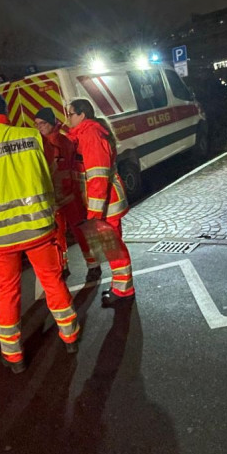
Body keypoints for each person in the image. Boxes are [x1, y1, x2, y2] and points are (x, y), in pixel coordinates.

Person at [0, 91, 80, 373]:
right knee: (52, 281)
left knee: (7, 294)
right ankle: (70, 336)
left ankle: (14, 357)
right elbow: (46, 170)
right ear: (6, 113)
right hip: (38, 227)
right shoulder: (32, 138)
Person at [66, 98, 135, 307]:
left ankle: (123, 292)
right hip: (102, 204)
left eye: (70, 114)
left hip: (105, 205)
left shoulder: (91, 135)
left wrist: (93, 216)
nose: (67, 118)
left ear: (81, 115)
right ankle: (121, 287)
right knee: (111, 247)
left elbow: (97, 178)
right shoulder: (85, 133)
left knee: (112, 247)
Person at [33, 106, 98, 281]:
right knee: (62, 235)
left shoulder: (57, 142)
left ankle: (89, 265)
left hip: (66, 196)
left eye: (42, 123)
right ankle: (73, 265)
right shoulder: (50, 142)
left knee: (72, 232)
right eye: (37, 124)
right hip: (61, 197)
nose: (39, 127)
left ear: (51, 122)